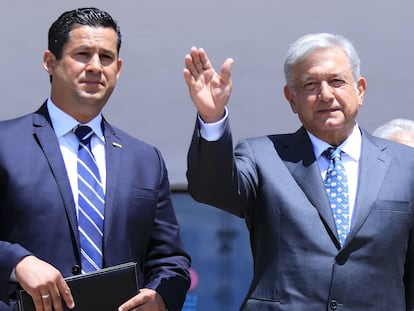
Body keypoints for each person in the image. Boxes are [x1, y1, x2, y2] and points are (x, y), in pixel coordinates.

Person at [183, 33, 414, 310]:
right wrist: (212, 118)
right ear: (291, 99)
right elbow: (210, 188)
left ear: (360, 89)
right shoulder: (264, 156)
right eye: (311, 85)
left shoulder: (405, 165)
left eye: (337, 81)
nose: (325, 94)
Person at [0, 7, 190, 311]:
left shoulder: (145, 159)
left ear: (119, 67)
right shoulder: (5, 144)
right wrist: (16, 261)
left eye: (106, 57)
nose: (95, 67)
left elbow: (169, 259)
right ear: (50, 62)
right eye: (82, 54)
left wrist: (160, 298)